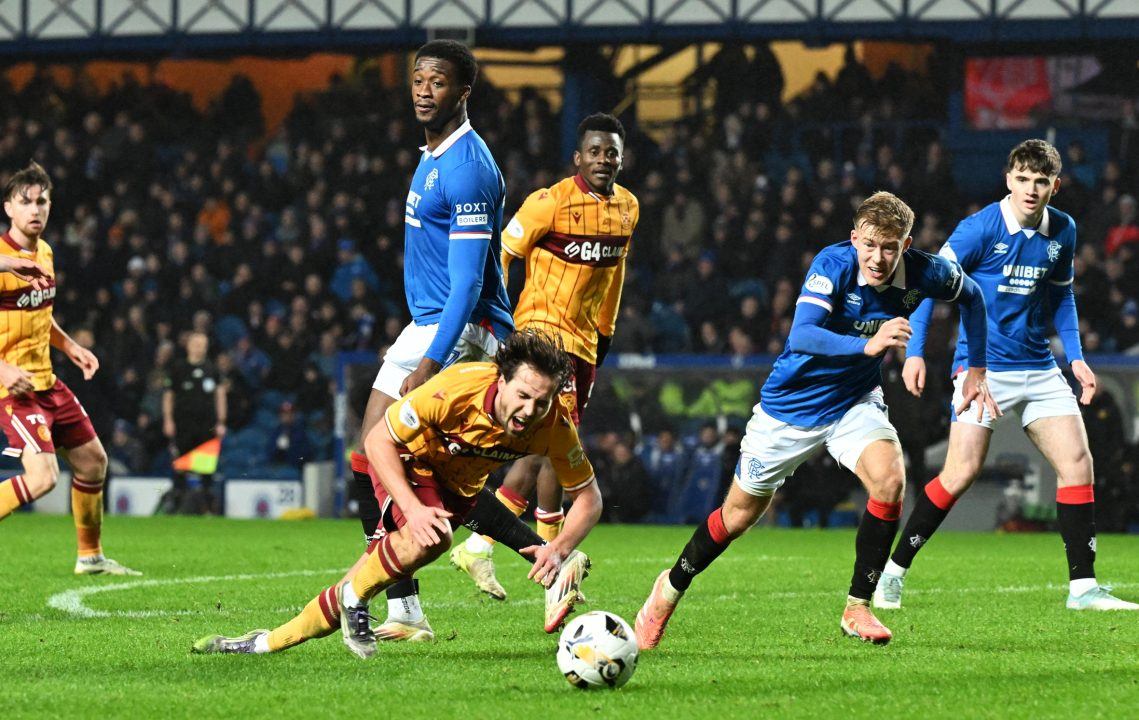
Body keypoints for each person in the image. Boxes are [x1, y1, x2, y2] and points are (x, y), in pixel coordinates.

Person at [635, 191, 998, 648]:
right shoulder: (833, 265)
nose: (878, 257)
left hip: (852, 402)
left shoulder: (929, 271)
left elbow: (976, 297)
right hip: (789, 407)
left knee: (890, 481)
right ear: (854, 239)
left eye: (889, 247)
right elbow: (802, 333)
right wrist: (866, 346)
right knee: (737, 517)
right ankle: (667, 590)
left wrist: (978, 369)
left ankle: (858, 607)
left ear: (906, 245)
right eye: (868, 244)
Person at [339, 41, 585, 643]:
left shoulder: (469, 168)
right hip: (428, 322)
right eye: (418, 79)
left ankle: (397, 601)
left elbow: (469, 282)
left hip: (457, 328)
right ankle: (423, 599)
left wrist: (427, 361)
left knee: (394, 458)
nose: (425, 90)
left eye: (439, 81)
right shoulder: (432, 155)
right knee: (385, 461)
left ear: (463, 91)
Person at [192, 330, 603, 659]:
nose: (530, 410)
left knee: (362, 580)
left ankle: (260, 643)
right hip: (408, 463)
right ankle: (370, 601)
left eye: (542, 401)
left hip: (458, 489)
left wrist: (561, 546)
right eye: (524, 396)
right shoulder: (453, 392)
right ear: (502, 380)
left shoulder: (554, 426)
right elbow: (376, 442)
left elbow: (589, 498)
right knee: (433, 536)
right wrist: (413, 508)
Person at [874, 139, 1138, 612]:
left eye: (1041, 181)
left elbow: (1062, 296)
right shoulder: (980, 229)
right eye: (1022, 179)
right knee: (960, 473)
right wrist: (914, 352)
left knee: (1079, 465)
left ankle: (1083, 589)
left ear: (1055, 186)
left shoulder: (1064, 230)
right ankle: (893, 572)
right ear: (1008, 179)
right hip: (983, 370)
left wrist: (1075, 357)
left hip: (1039, 367)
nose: (1031, 189)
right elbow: (930, 286)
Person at [446, 112, 638, 601]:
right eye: (595, 151)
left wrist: (607, 331)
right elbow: (501, 253)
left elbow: (614, 275)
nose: (603, 159)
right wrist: (500, 317)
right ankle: (554, 565)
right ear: (578, 157)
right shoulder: (549, 203)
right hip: (541, 337)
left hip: (585, 343)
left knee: (546, 447)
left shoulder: (628, 208)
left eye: (611, 152)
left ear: (621, 157)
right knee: (557, 444)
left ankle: (483, 544)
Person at [0, 161, 139, 575]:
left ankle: (90, 557)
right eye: (25, 202)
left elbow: (40, 313)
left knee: (94, 462)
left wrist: (70, 344)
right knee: (43, 478)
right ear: (8, 208)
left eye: (42, 201)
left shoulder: (44, 252)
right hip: (13, 389)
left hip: (46, 381)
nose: (35, 210)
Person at [160, 331, 226, 514]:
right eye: (196, 343)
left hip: (207, 425)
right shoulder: (178, 369)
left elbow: (220, 395)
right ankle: (177, 503)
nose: (199, 347)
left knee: (206, 467)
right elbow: (168, 396)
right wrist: (168, 420)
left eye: (203, 343)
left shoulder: (212, 369)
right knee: (180, 464)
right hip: (183, 424)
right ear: (188, 345)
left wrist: (221, 421)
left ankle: (206, 507)